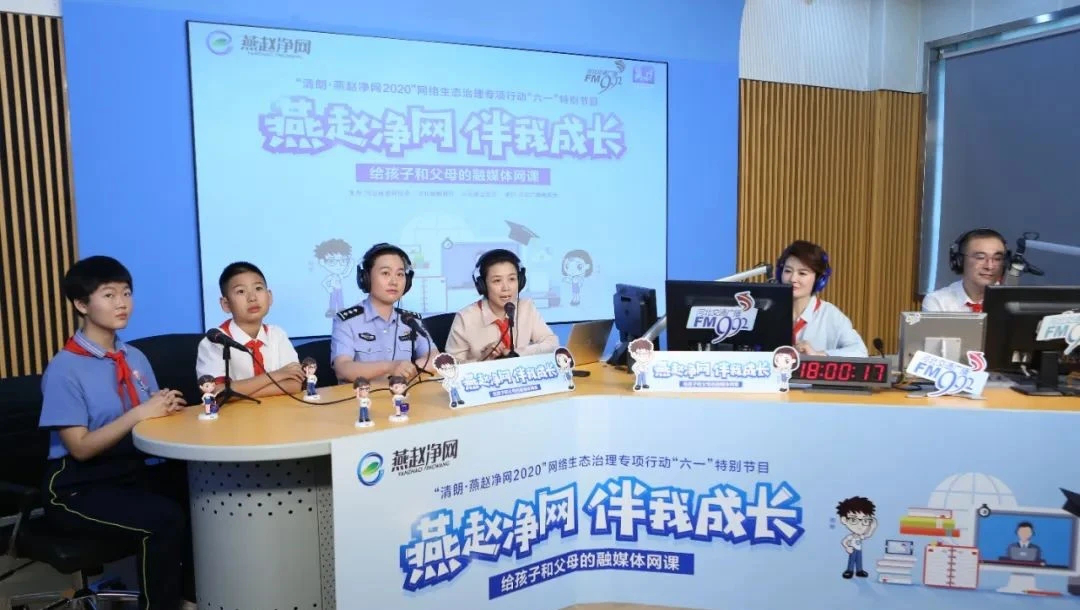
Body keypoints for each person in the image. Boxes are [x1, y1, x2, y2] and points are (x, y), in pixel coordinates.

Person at [38, 255, 193, 609]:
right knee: (164, 520)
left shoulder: (134, 356)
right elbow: (80, 448)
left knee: (198, 494)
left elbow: (148, 419)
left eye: (126, 293)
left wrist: (165, 407)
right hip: (76, 486)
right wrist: (139, 413)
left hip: (129, 471)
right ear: (81, 304)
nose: (121, 303)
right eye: (109, 295)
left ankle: (190, 599)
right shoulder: (64, 369)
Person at [331, 243, 437, 383]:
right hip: (364, 395)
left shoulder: (411, 320)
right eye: (385, 273)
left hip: (405, 394)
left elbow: (435, 357)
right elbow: (342, 369)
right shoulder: (347, 321)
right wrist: (390, 367)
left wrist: (410, 369)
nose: (394, 281)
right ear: (366, 278)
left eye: (400, 274)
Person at [195, 261, 304, 397]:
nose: (252, 298)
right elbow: (216, 393)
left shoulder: (277, 335)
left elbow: (295, 384)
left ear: (269, 296)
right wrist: (276, 375)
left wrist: (238, 393)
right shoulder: (215, 342)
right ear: (226, 304)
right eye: (241, 291)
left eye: (258, 288)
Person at [445, 248, 558, 362]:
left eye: (512, 279)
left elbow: (551, 343)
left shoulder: (526, 307)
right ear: (483, 285)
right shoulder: (465, 318)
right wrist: (484, 359)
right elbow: (450, 365)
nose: (506, 288)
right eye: (497, 281)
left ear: (520, 281)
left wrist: (516, 354)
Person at [776, 240, 868, 357]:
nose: (793, 279)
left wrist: (819, 355)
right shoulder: (766, 311)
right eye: (788, 271)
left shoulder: (830, 315)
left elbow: (860, 351)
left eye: (802, 273)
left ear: (819, 279)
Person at [923, 228, 1009, 313]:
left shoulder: (1012, 301)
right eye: (980, 257)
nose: (989, 266)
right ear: (960, 261)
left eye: (997, 259)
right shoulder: (938, 302)